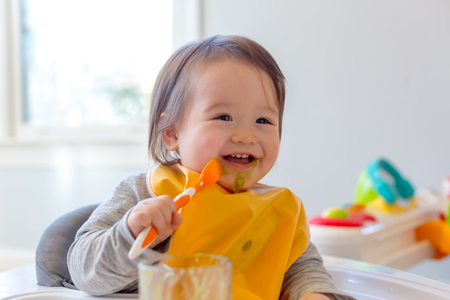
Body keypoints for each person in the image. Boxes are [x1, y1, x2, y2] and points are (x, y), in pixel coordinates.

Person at [68, 35, 355, 300]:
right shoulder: (147, 193)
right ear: (172, 133)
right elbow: (85, 273)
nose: (246, 135)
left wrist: (315, 294)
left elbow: (303, 271)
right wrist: (129, 232)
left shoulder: (280, 212)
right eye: (223, 116)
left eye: (263, 121)